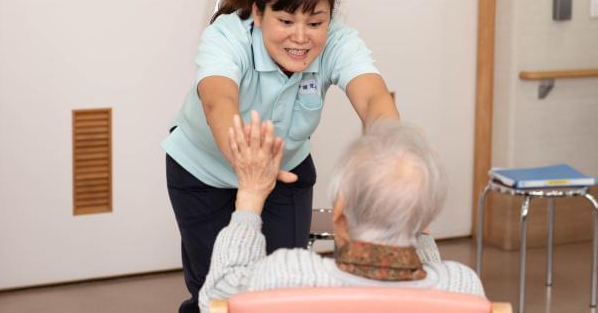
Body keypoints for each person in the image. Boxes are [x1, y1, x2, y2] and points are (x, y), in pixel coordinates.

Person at [162, 0, 398, 312]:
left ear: (329, 20)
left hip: (285, 172)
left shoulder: (338, 41)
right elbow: (218, 102)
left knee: (284, 287)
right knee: (218, 293)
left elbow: (373, 98)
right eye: (286, 21)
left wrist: (392, 158)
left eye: (315, 23)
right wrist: (249, 166)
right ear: (258, 13)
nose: (300, 38)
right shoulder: (228, 36)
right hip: (203, 172)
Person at [198, 115, 485, 312]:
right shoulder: (462, 286)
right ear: (428, 216)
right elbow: (431, 280)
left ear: (339, 212)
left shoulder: (289, 273)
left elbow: (216, 298)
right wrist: (416, 214)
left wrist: (250, 195)